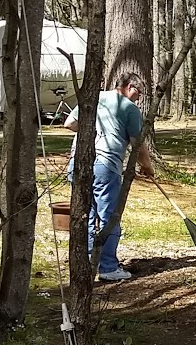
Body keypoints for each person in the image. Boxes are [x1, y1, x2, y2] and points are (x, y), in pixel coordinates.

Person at [65, 73, 153, 282]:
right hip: (105, 166)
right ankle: (108, 268)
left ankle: (86, 265)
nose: (137, 99)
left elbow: (70, 123)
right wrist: (147, 166)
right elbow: (138, 144)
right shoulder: (128, 108)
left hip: (77, 162)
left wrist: (92, 130)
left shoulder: (93, 98)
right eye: (138, 94)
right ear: (130, 87)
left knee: (84, 215)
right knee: (109, 218)